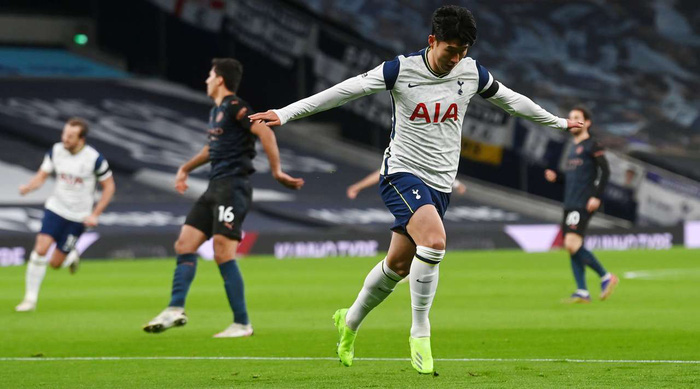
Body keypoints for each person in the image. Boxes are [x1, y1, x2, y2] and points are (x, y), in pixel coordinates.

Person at [250, 5, 582, 374]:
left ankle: (349, 321)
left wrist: (558, 122)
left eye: (462, 52)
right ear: (432, 41)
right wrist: (286, 113)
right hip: (402, 173)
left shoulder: (470, 72)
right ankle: (420, 331)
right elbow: (343, 92)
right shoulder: (399, 70)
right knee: (435, 242)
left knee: (397, 265)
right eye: (449, 51)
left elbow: (512, 100)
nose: (454, 60)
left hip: (440, 185)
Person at [143, 58, 304, 338]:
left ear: (219, 79)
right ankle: (174, 308)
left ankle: (242, 323)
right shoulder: (216, 111)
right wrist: (185, 169)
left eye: (209, 75)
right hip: (214, 187)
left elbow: (263, 129)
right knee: (185, 244)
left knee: (222, 252)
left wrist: (277, 171)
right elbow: (211, 149)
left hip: (233, 187)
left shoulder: (234, 106)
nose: (206, 79)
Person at [15, 118, 116, 312]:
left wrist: (95, 214)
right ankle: (30, 299)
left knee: (55, 263)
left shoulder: (94, 159)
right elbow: (42, 175)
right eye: (64, 134)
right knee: (40, 248)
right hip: (56, 208)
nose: (65, 139)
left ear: (81, 139)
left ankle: (70, 257)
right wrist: (28, 188)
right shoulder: (56, 151)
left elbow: (109, 186)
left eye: (70, 136)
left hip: (78, 217)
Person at [545, 106, 618, 303]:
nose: (572, 120)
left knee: (571, 243)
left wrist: (596, 196)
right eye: (570, 117)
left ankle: (606, 276)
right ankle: (582, 292)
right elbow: (572, 178)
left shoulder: (591, 145)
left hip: (583, 202)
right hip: (570, 202)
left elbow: (605, 171)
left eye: (577, 117)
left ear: (587, 122)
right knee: (572, 246)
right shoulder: (572, 148)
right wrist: (557, 178)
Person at [347, 169, 466, 200]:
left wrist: (455, 183)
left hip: (424, 198)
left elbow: (436, 170)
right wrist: (358, 187)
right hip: (410, 199)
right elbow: (382, 172)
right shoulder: (401, 157)